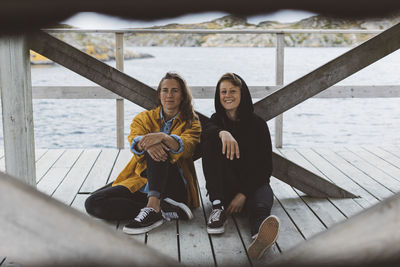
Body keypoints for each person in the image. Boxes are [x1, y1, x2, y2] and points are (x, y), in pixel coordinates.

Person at [85, 72, 201, 235]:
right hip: (142, 181)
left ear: (182, 95)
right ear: (159, 94)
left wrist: (162, 137)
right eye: (165, 90)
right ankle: (157, 210)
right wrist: (148, 143)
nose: (169, 95)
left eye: (175, 90)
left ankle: (154, 206)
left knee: (160, 148)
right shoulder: (144, 118)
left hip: (174, 189)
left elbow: (188, 146)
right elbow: (135, 138)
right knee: (93, 202)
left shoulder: (192, 122)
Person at [201, 72, 280, 260]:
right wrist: (223, 133)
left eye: (233, 91)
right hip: (224, 190)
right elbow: (207, 131)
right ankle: (217, 209)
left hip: (252, 186)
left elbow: (265, 169)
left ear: (242, 93)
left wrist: (243, 194)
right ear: (218, 96)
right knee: (209, 139)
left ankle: (259, 234)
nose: (227, 95)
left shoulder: (258, 125)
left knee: (260, 205)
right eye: (223, 92)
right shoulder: (215, 121)